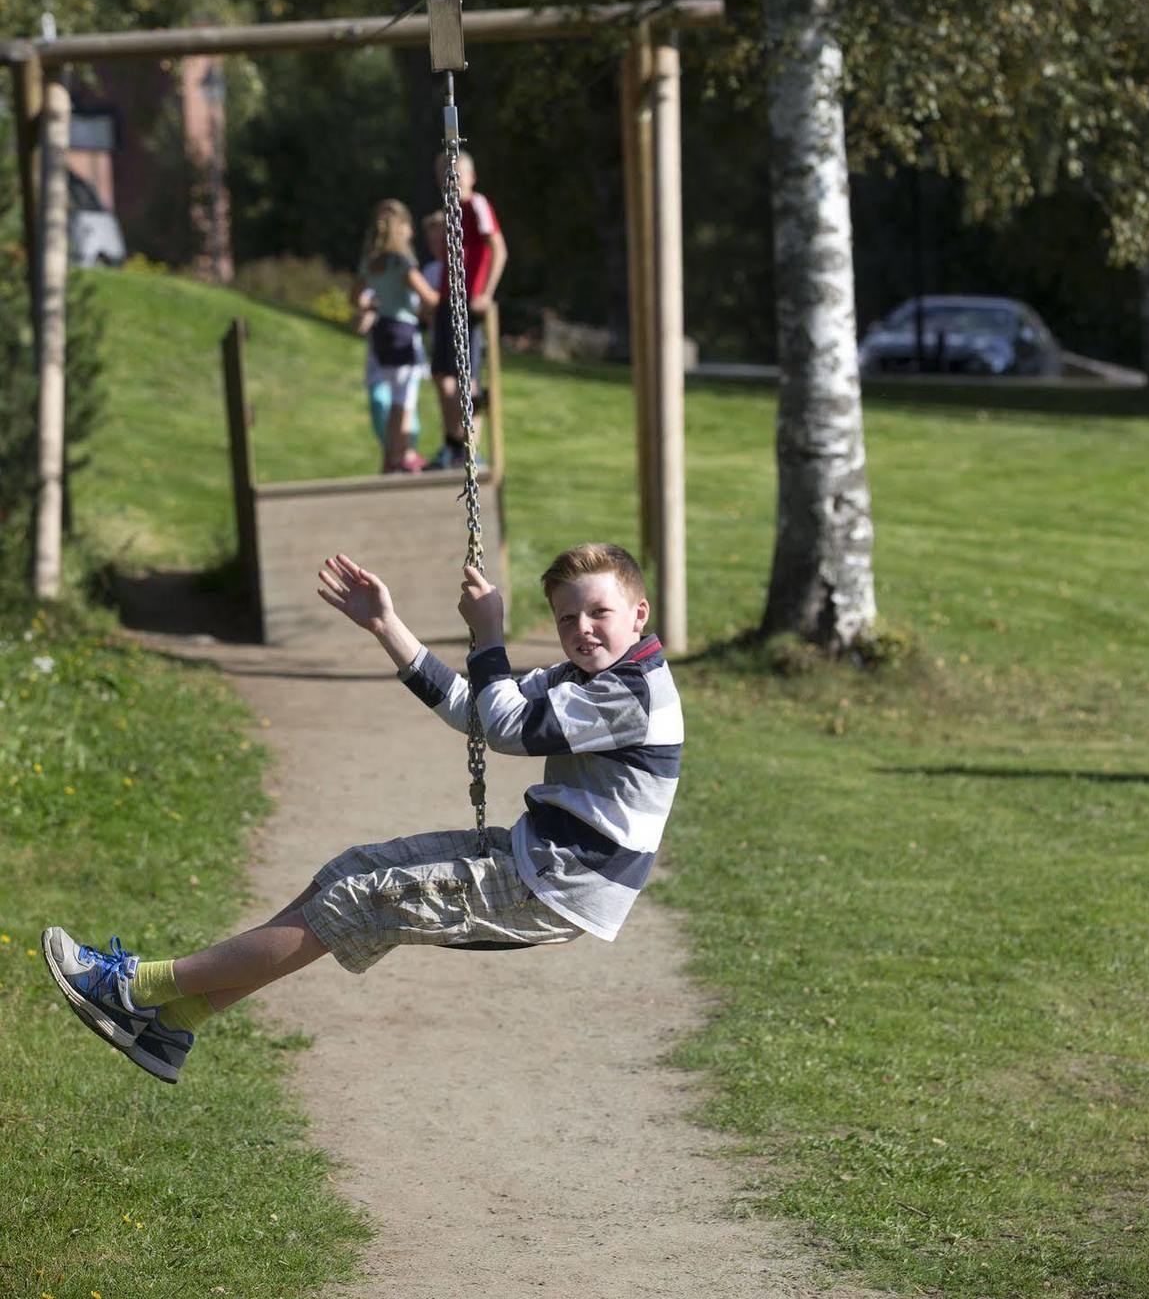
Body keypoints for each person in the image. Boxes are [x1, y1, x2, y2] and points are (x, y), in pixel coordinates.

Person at [41, 542, 682, 1085]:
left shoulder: (632, 692)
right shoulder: (585, 676)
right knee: (346, 873)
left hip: (555, 885)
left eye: (599, 612)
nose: (583, 629)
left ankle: (130, 989)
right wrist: (387, 626)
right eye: (568, 618)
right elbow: (472, 710)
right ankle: (173, 1027)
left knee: (350, 899)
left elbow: (506, 725)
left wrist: (489, 636)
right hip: (531, 860)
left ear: (639, 614)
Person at [430, 152, 507, 468]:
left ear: (472, 177)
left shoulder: (476, 206)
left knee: (467, 377)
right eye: (448, 177)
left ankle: (471, 450)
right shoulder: (451, 212)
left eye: (459, 176)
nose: (454, 182)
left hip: (468, 300)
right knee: (442, 376)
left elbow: (498, 249)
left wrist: (485, 293)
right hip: (448, 298)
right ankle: (453, 442)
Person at [352, 199, 440, 475]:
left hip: (382, 333)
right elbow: (428, 297)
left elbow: (355, 298)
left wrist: (375, 304)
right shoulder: (402, 262)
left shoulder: (372, 263)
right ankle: (403, 454)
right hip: (403, 332)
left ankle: (392, 455)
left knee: (392, 399)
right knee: (404, 400)